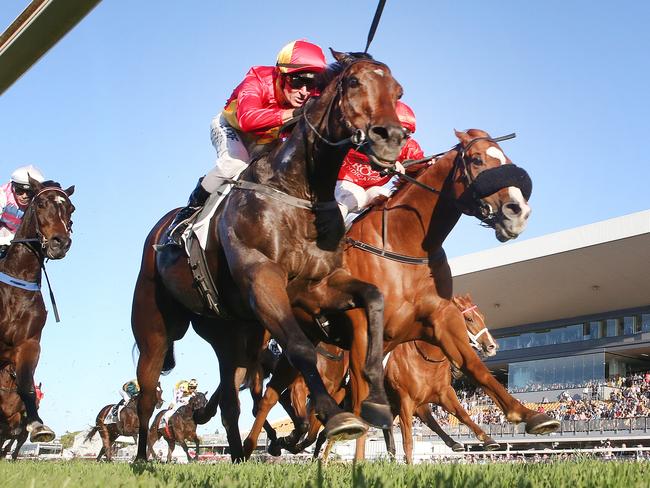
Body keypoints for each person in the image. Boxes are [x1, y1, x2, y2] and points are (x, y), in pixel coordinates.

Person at [168, 39, 328, 244]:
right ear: (280, 75)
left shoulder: (312, 94)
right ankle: (188, 214)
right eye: (297, 81)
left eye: (312, 84)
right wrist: (295, 113)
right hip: (233, 127)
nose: (305, 91)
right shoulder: (257, 80)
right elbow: (248, 120)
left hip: (269, 135)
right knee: (233, 164)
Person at [335, 101, 426, 220]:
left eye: (405, 134)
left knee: (387, 200)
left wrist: (431, 164)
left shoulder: (408, 146)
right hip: (340, 182)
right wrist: (390, 162)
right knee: (355, 196)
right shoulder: (363, 130)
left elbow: (421, 163)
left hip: (370, 188)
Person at [0, 165, 45, 257]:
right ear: (13, 187)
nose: (24, 196)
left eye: (29, 192)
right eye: (20, 191)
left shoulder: (37, 202)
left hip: (18, 238)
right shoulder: (3, 195)